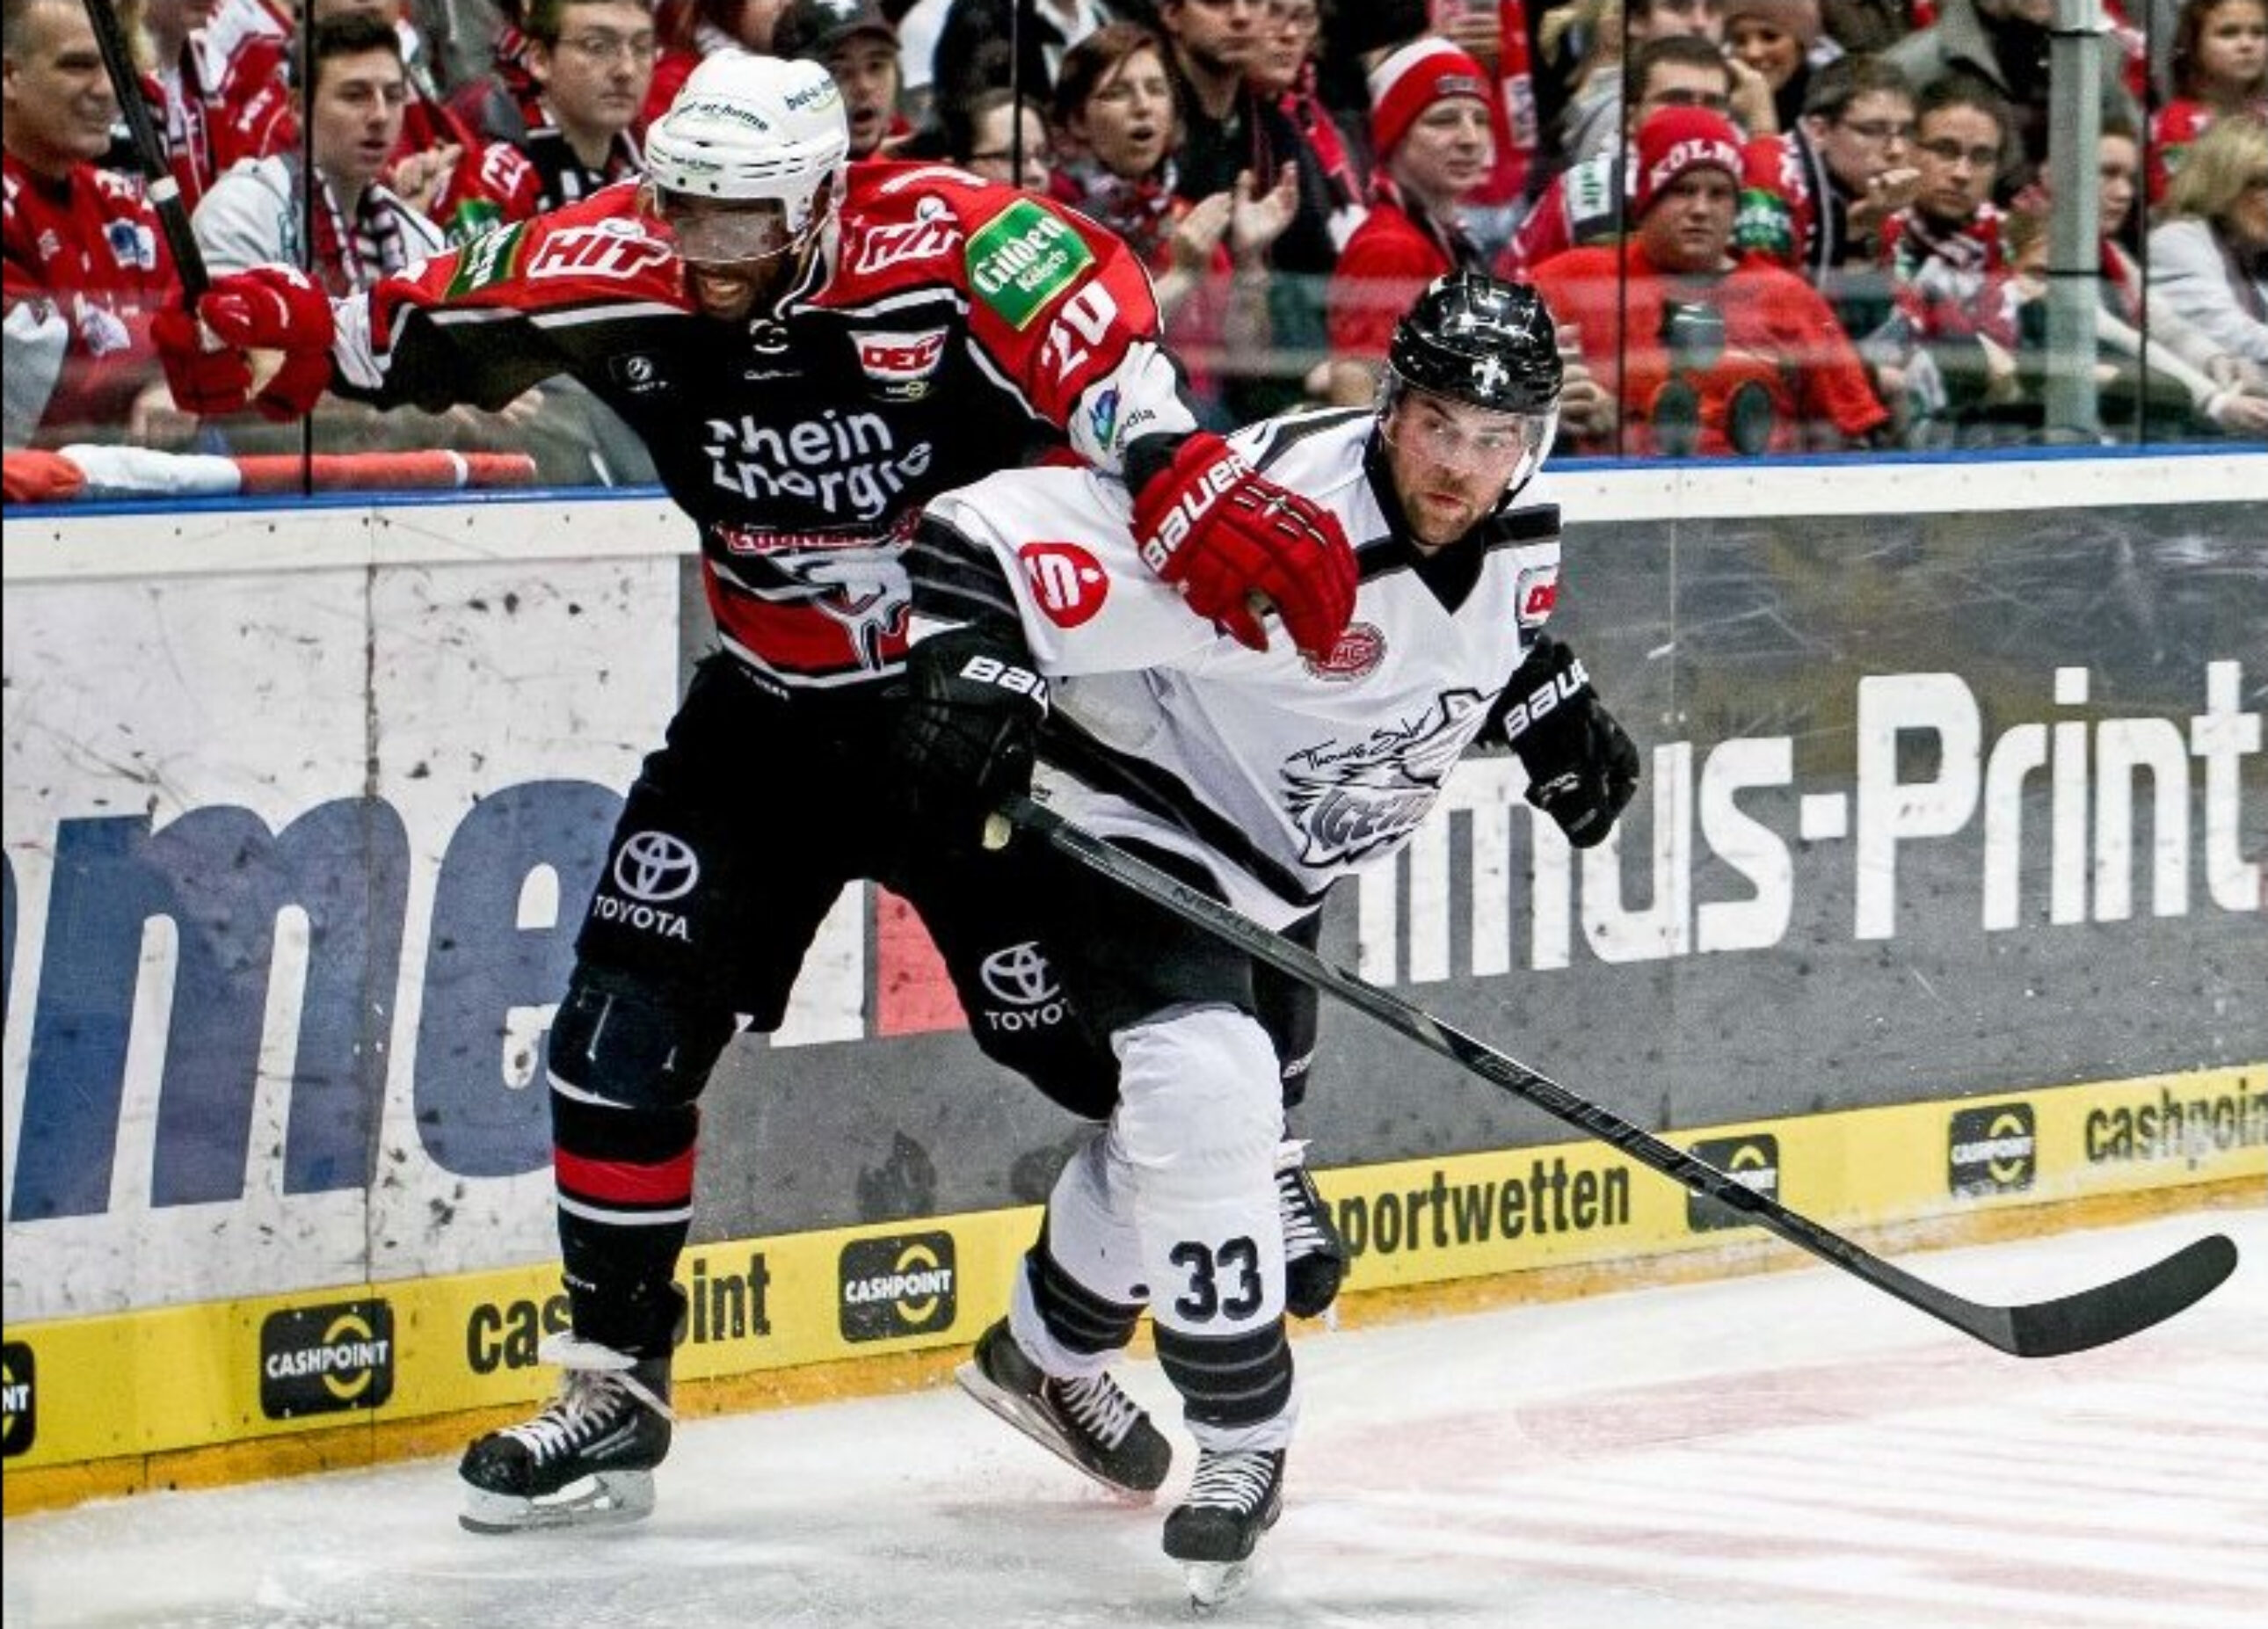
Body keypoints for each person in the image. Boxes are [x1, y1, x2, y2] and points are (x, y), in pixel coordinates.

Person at [154, 48, 1360, 1533]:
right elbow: (415, 324)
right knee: (616, 1033)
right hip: (765, 718)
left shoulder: (946, 240)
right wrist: (275, 337)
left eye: (746, 222)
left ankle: (1067, 1340)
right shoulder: (612, 256)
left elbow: (1099, 336)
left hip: (960, 720)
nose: (709, 254)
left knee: (1137, 1066)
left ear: (823, 196)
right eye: (686, 214)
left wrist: (1175, 464)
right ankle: (616, 1384)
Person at [899, 271, 1639, 1606]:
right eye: (1437, 425)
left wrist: (1545, 701)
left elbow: (1459, 633)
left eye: (1494, 436)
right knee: (1206, 1088)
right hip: (1137, 805)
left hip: (1281, 862)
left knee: (1191, 1136)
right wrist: (973, 667)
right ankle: (1245, 1438)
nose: (1460, 464)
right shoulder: (1272, 511)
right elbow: (981, 531)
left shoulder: (1523, 511)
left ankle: (1044, 1355)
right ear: (1388, 405)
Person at [1530, 105, 1890, 453]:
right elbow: (1498, 398)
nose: (1701, 210)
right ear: (1646, 200)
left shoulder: (1789, 298)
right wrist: (1545, 400)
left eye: (1718, 194)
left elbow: (1854, 436)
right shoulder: (1570, 282)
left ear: (1737, 207)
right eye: (1683, 190)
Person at [3, 0, 185, 448]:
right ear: (8, 76)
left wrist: (176, 381)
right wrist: (168, 367)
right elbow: (48, 384)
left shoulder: (126, 202)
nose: (107, 89)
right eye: (78, 65)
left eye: (114, 66)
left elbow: (203, 330)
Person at [1323, 37, 1496, 404]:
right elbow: (1358, 391)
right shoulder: (1389, 247)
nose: (1470, 139)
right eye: (1443, 120)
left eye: (1481, 120)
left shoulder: (1443, 239)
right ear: (1395, 135)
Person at [2147, 112, 2268, 371]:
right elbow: (2227, 333)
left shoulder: (2253, 254)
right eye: (2260, 184)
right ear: (2220, 184)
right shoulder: (2176, 243)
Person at [2149, 0, 2268, 202]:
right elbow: (2178, 202)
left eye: (2258, 33)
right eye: (2228, 33)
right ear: (2194, 47)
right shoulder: (2175, 123)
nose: (2247, 45)